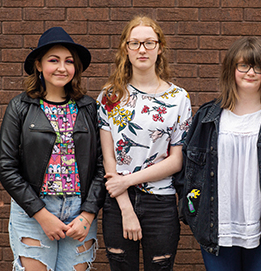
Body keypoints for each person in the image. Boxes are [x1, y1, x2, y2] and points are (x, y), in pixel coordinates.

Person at [174, 36, 261, 271]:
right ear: (232, 69)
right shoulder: (207, 117)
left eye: (258, 66)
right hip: (215, 227)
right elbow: (187, 169)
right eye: (243, 65)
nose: (250, 72)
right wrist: (190, 210)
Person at [0, 27, 105, 271]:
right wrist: (41, 214)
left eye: (68, 61)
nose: (61, 68)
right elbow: (6, 167)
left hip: (79, 212)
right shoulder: (20, 106)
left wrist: (87, 215)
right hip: (33, 211)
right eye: (53, 60)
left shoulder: (89, 108)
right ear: (38, 65)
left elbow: (102, 165)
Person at [96, 16, 192, 270]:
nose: (142, 49)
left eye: (149, 43)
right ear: (125, 49)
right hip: (118, 202)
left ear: (159, 48)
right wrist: (126, 208)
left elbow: (176, 160)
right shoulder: (110, 96)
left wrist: (127, 180)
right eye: (135, 43)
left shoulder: (179, 98)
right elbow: (109, 160)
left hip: (160, 203)